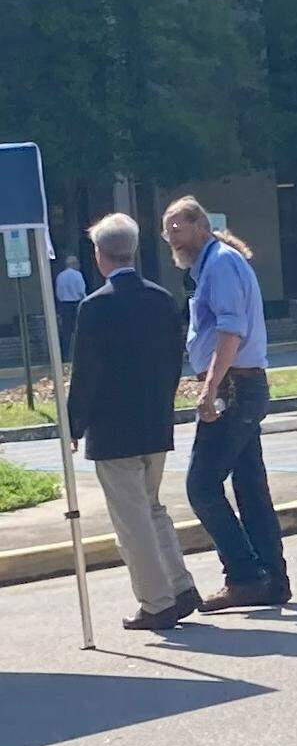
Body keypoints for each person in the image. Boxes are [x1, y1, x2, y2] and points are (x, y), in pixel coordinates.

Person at [67, 214, 200, 631]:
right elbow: (174, 360)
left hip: (113, 429)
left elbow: (86, 372)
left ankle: (157, 602)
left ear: (98, 255)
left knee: (132, 519)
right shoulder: (161, 299)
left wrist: (73, 425)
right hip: (154, 421)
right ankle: (179, 586)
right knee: (154, 508)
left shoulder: (95, 306)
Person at [160, 196, 291, 612]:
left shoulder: (218, 263)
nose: (172, 238)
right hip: (240, 385)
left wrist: (210, 386)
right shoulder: (214, 264)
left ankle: (246, 576)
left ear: (201, 225)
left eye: (178, 228)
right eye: (168, 231)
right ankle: (271, 579)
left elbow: (230, 332)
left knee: (201, 486)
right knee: (250, 486)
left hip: (234, 387)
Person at [54, 255, 86, 358]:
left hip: (64, 305)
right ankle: (79, 354)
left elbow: (58, 293)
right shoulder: (78, 275)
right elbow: (81, 291)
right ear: (74, 264)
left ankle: (65, 355)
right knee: (79, 330)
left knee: (66, 331)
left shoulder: (60, 276)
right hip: (77, 304)